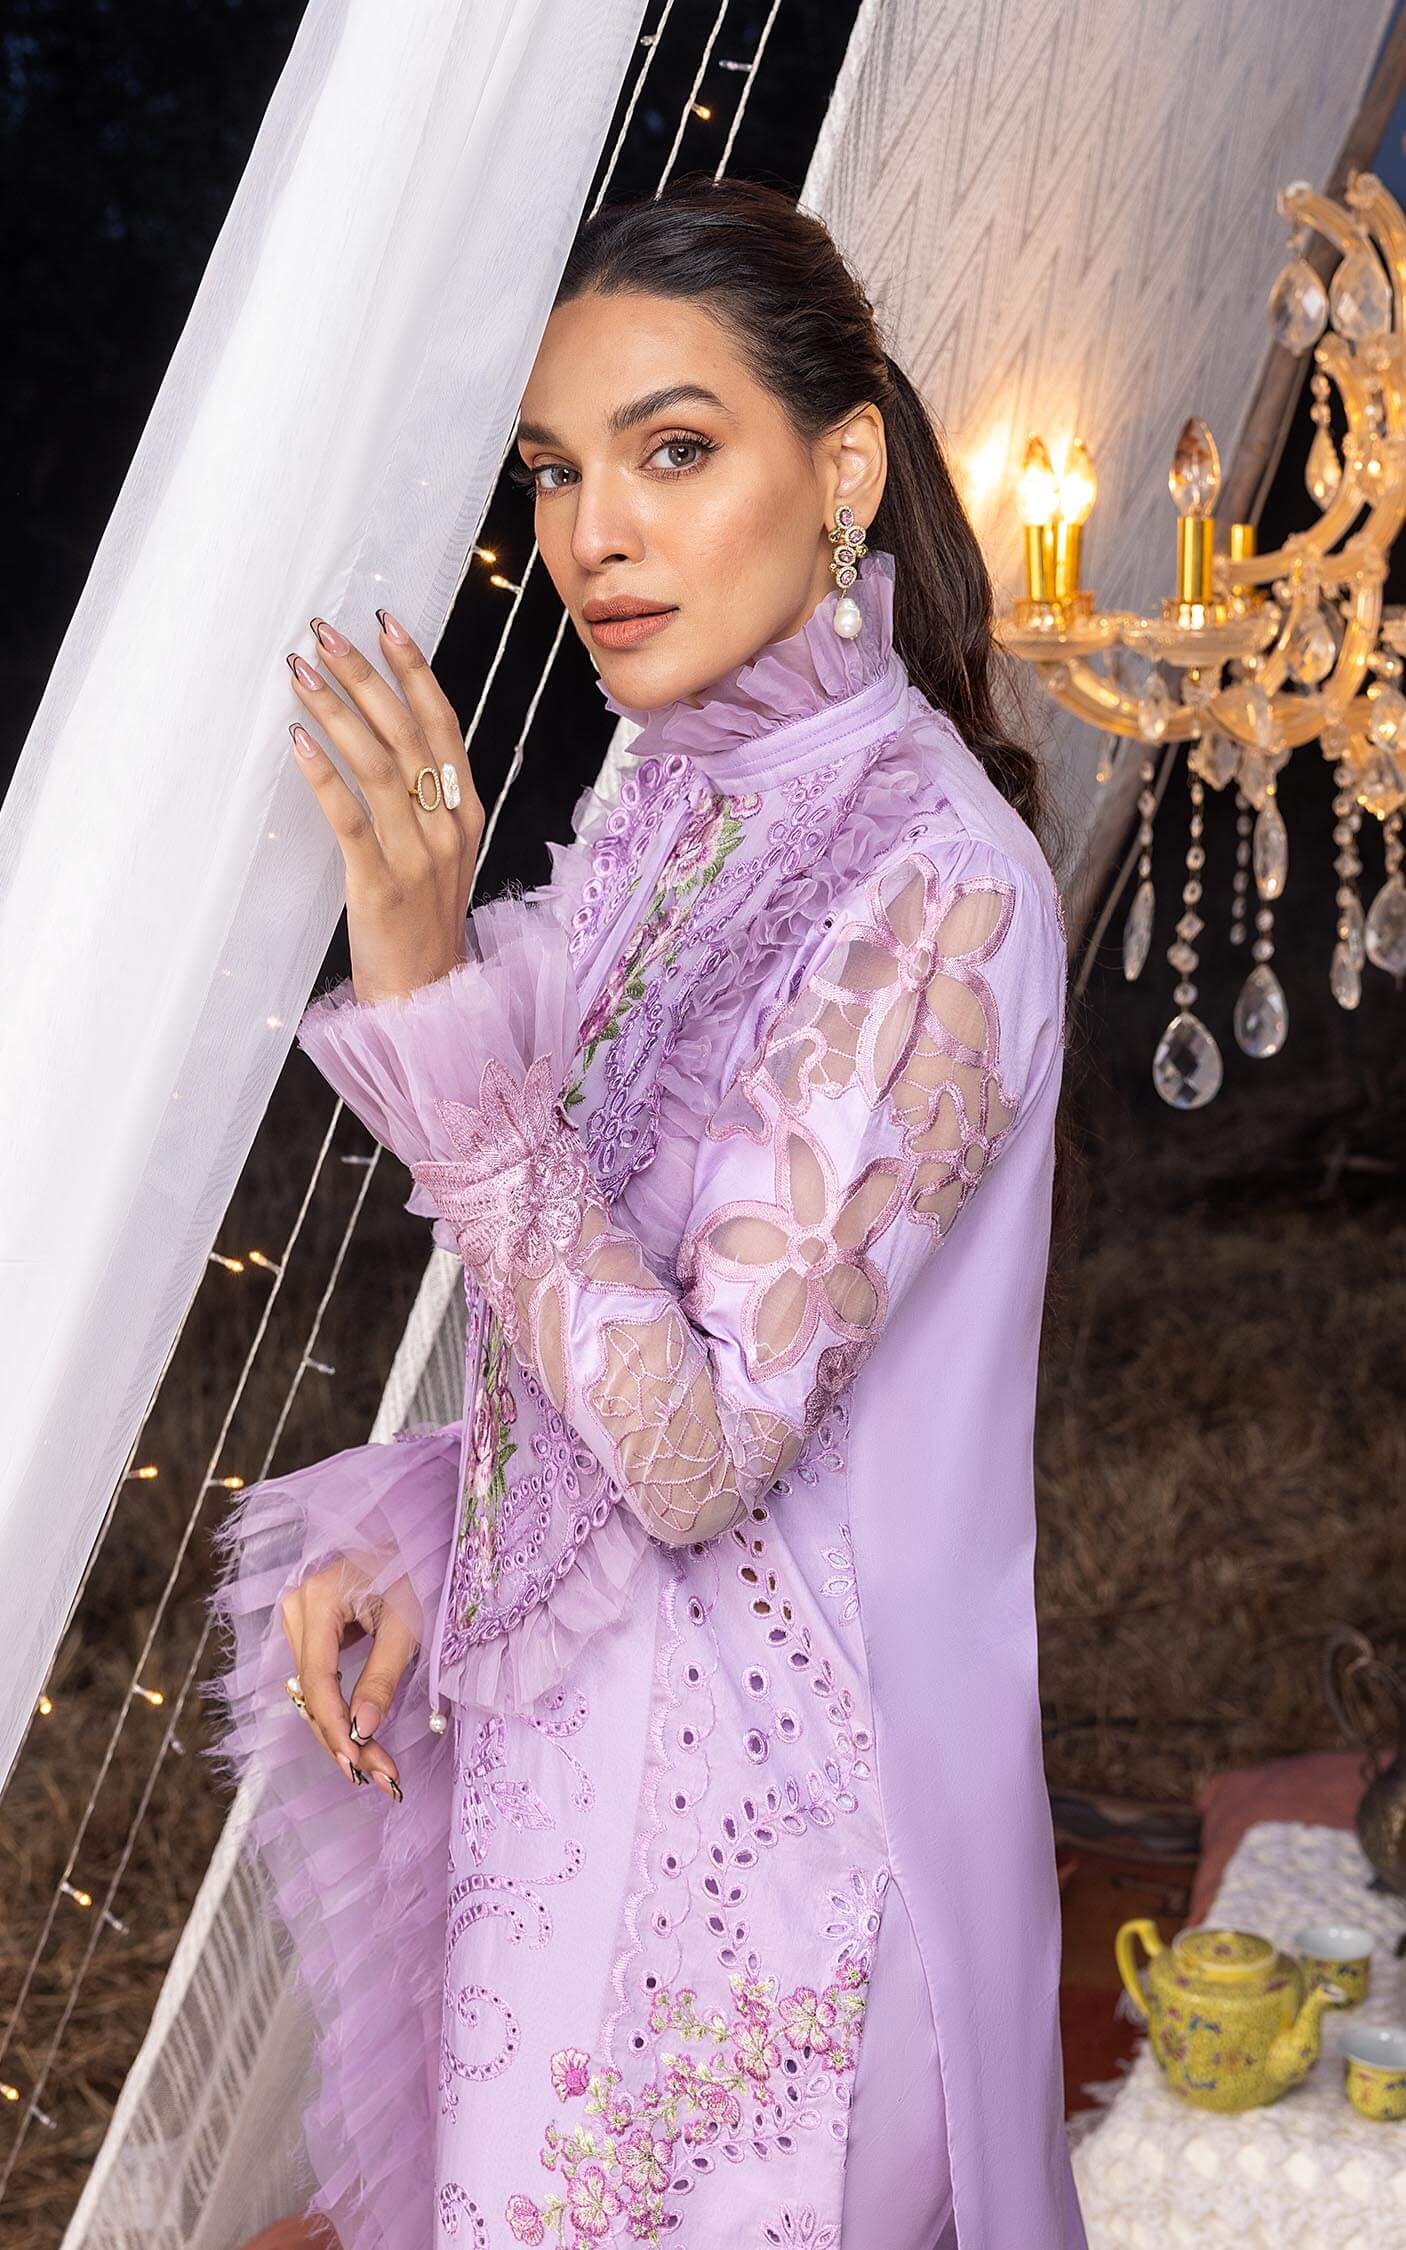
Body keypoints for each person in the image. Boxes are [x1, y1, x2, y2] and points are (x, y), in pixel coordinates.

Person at [207, 174, 1087, 2250]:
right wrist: (433, 1519)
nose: (591, 533)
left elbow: (698, 1452)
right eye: (554, 471)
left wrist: (426, 986)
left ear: (841, 470)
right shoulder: (676, 808)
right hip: (572, 1807)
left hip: (791, 1885)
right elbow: (612, 1307)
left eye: (670, 451)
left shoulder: (940, 888)